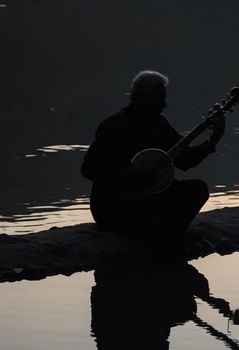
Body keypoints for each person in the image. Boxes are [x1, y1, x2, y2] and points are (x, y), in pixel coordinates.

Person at [81, 70, 224, 235]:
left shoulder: (159, 123)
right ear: (141, 98)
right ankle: (163, 235)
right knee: (145, 202)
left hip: (149, 196)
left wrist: (213, 141)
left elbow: (185, 160)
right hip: (112, 202)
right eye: (159, 98)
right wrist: (134, 174)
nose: (164, 103)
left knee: (198, 189)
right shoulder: (115, 125)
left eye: (163, 98)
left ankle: (171, 232)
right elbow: (89, 168)